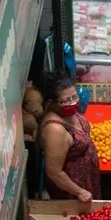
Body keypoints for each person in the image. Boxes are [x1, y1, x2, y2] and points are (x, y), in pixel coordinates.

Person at [39, 70, 101, 203]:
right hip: (71, 191)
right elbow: (54, 172)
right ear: (52, 102)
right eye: (66, 100)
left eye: (74, 97)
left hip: (87, 180)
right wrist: (79, 191)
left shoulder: (68, 112)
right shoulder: (54, 130)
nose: (73, 102)